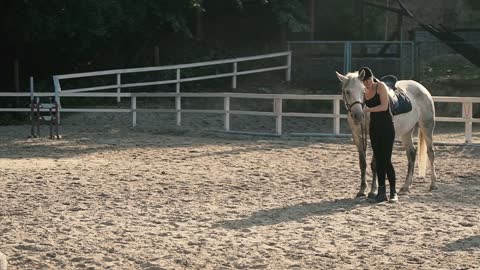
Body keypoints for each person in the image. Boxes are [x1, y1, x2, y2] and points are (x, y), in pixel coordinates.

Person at [360, 67, 398, 203]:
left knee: (386, 160)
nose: (367, 83)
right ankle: (381, 192)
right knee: (378, 160)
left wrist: (368, 109)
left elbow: (384, 106)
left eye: (368, 80)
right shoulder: (364, 91)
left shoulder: (380, 86)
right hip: (374, 128)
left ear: (372, 78)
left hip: (387, 127)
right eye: (364, 81)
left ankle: (393, 191)